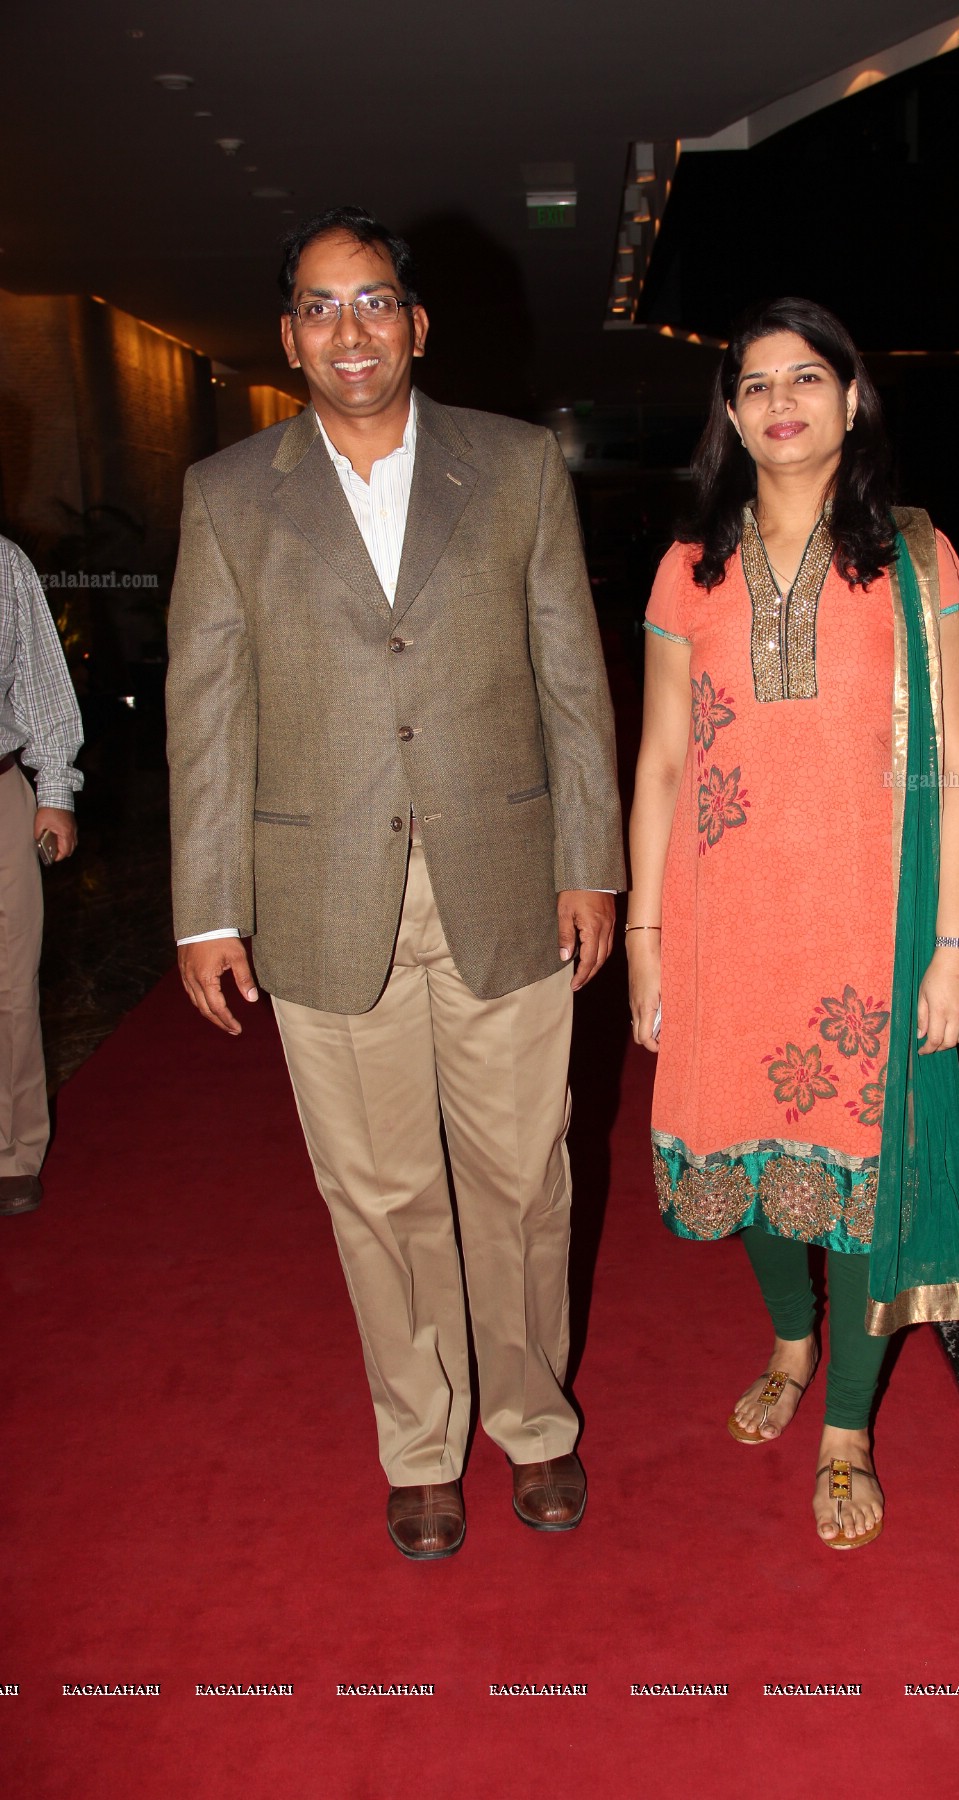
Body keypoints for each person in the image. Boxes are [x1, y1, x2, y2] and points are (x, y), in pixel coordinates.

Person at [167, 206, 623, 1560]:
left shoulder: (518, 466)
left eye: (372, 302)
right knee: (377, 1194)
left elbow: (572, 679)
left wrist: (591, 861)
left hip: (510, 878)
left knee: (524, 1180)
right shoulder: (229, 494)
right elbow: (207, 711)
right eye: (318, 307)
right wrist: (205, 907)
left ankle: (534, 1425)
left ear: (416, 325)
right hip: (321, 894)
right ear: (290, 335)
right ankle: (420, 1446)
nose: (347, 330)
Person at [627, 297, 959, 1550]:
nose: (780, 402)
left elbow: (953, 771)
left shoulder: (919, 557)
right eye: (755, 384)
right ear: (729, 412)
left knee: (859, 1179)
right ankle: (788, 1340)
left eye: (806, 380)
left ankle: (845, 1422)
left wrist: (957, 944)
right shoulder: (691, 566)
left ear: (851, 398)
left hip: (863, 936)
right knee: (747, 1157)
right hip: (725, 923)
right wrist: (647, 938)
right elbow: (662, 760)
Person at [0, 536, 82, 1217]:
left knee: (9, 983)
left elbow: (42, 683)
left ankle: (12, 1152)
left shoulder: (3, 561)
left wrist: (55, 789)